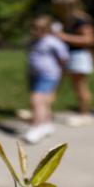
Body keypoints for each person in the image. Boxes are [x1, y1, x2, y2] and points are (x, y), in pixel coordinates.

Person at [51, 0, 94, 126]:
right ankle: (43, 110)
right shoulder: (63, 20)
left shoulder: (81, 20)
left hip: (79, 56)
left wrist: (63, 37)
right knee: (54, 84)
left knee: (80, 86)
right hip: (65, 55)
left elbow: (89, 40)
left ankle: (85, 114)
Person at [22, 16, 69, 144]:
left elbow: (64, 58)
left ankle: (36, 127)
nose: (37, 31)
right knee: (44, 102)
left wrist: (61, 72)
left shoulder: (53, 42)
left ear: (48, 29)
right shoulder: (33, 41)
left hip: (48, 75)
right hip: (33, 74)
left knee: (36, 100)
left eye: (41, 28)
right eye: (34, 28)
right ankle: (47, 124)